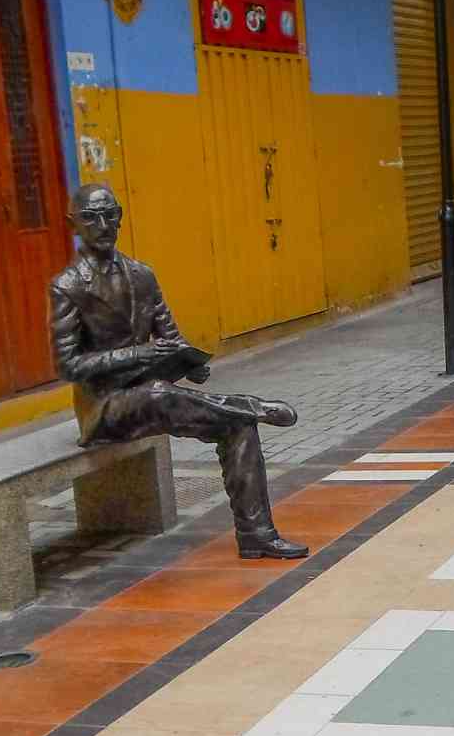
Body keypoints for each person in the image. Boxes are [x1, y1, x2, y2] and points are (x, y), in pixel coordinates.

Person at [50, 185, 308, 560]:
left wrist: (190, 362)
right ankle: (251, 405)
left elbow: (170, 336)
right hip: (104, 408)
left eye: (110, 215)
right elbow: (68, 365)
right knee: (161, 393)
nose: (103, 225)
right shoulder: (67, 287)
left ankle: (257, 535)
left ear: (121, 217)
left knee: (237, 426)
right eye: (91, 217)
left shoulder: (142, 275)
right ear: (73, 224)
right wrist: (139, 352)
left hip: (155, 395)